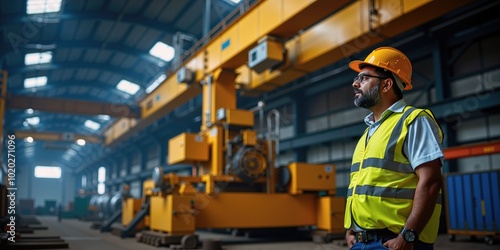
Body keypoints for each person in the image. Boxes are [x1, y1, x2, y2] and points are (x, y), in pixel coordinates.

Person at [344, 47, 444, 250]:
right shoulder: (368, 133)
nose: (355, 83)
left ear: (387, 84)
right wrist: (352, 229)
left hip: (395, 242)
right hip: (361, 241)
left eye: (363, 78)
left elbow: (431, 181)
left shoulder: (413, 121)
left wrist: (408, 236)